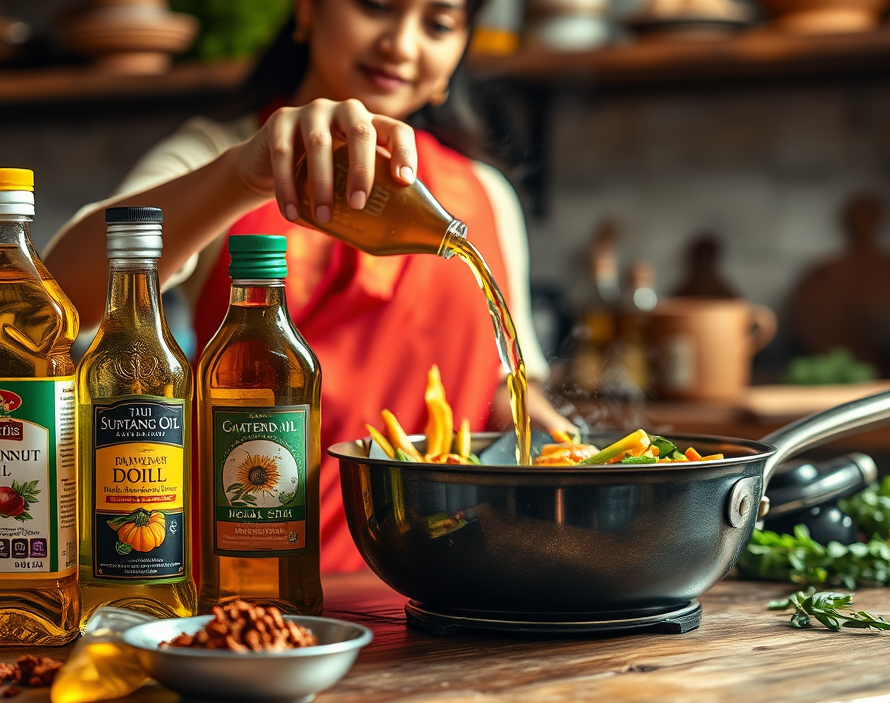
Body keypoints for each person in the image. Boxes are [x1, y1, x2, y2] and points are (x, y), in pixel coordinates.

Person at [46, 0, 574, 573]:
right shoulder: (216, 155)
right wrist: (239, 177)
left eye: (438, 24)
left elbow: (501, 391)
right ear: (306, 11)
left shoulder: (484, 195)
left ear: (456, 57)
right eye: (376, 6)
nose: (401, 43)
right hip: (250, 579)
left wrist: (565, 446)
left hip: (441, 579)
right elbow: (62, 298)